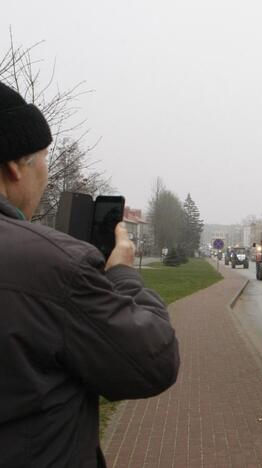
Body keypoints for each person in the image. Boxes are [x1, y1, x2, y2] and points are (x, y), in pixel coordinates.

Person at [0, 82, 180, 467]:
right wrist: (123, 276)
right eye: (44, 157)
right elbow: (152, 361)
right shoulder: (53, 267)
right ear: (15, 166)